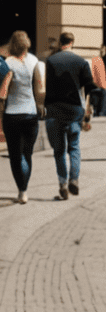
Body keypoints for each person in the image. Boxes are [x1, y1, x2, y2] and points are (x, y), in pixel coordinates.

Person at [44, 32, 95, 199]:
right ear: (72, 42)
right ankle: (74, 180)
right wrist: (88, 110)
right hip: (74, 110)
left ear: (60, 42)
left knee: (59, 150)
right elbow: (89, 88)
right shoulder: (81, 62)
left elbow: (48, 86)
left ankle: (63, 184)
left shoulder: (51, 61)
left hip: (55, 109)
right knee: (74, 146)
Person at [2, 30, 43, 202]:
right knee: (27, 154)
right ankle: (24, 189)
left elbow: (3, 91)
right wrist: (40, 106)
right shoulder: (34, 61)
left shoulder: (8, 63)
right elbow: (40, 88)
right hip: (31, 113)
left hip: (12, 114)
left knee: (15, 155)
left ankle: (22, 190)